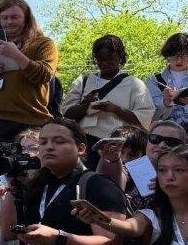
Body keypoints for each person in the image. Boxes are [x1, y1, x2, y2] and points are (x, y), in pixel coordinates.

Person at [0, 0, 58, 164]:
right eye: (4, 18)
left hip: (31, 123)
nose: (9, 22)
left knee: (30, 173)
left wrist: (16, 55)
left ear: (26, 19)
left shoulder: (44, 44)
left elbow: (45, 74)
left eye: (15, 17)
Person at [61, 34, 154, 167]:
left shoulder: (135, 85)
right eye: (100, 59)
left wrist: (115, 109)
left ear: (120, 57)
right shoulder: (83, 81)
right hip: (84, 145)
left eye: (110, 59)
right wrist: (85, 105)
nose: (104, 63)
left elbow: (144, 122)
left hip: (119, 147)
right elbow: (67, 113)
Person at [146, 32, 188, 122]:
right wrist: (165, 103)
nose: (179, 60)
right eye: (174, 56)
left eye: (184, 56)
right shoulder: (154, 81)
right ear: (167, 56)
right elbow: (149, 116)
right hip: (165, 129)